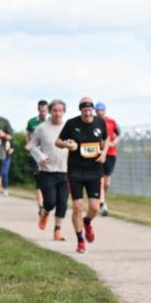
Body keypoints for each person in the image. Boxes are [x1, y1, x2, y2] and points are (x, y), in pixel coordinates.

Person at [56, 97, 109, 253]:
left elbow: (106, 139)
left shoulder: (100, 122)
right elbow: (57, 141)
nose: (87, 113)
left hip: (94, 170)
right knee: (77, 207)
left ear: (93, 109)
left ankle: (87, 222)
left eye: (89, 110)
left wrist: (104, 153)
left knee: (94, 208)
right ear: (80, 110)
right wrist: (66, 144)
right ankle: (80, 240)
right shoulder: (72, 124)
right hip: (75, 171)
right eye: (84, 110)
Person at [29, 100, 70, 241]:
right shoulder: (42, 128)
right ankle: (45, 213)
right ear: (50, 111)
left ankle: (57, 230)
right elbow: (32, 146)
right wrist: (40, 156)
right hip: (47, 171)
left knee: (63, 203)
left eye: (60, 110)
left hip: (65, 171)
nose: (58, 113)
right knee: (50, 202)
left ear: (64, 112)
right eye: (55, 111)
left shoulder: (68, 127)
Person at [95, 102, 121, 217]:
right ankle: (102, 203)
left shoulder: (111, 122)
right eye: (98, 110)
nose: (100, 112)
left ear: (104, 111)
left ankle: (101, 198)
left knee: (106, 182)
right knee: (100, 180)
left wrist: (113, 143)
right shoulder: (94, 122)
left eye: (102, 110)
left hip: (111, 153)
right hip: (98, 153)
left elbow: (118, 134)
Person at [26, 99, 49, 212]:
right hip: (35, 155)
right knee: (39, 180)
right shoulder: (32, 122)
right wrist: (29, 145)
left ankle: (46, 202)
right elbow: (28, 135)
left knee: (47, 180)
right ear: (38, 110)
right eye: (41, 111)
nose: (43, 113)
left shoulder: (51, 122)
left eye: (45, 111)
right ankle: (41, 206)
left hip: (48, 155)